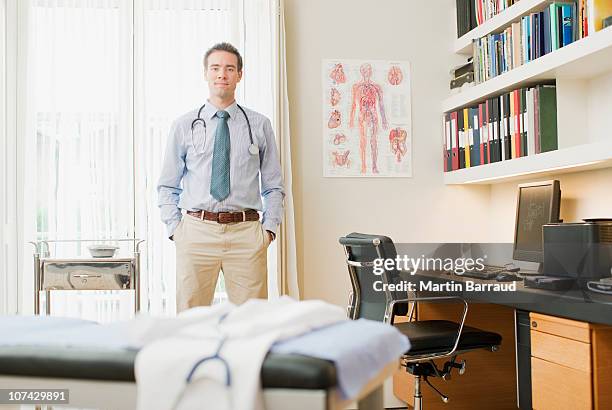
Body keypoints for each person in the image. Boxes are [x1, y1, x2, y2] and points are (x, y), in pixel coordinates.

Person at [157, 42, 284, 312]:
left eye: (229, 68)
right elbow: (167, 185)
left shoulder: (259, 124)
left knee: (251, 322)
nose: (221, 74)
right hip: (196, 232)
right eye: (215, 68)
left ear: (240, 74)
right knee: (191, 319)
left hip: (246, 234)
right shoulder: (183, 125)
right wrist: (176, 230)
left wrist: (269, 229)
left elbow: (273, 185)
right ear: (205, 73)